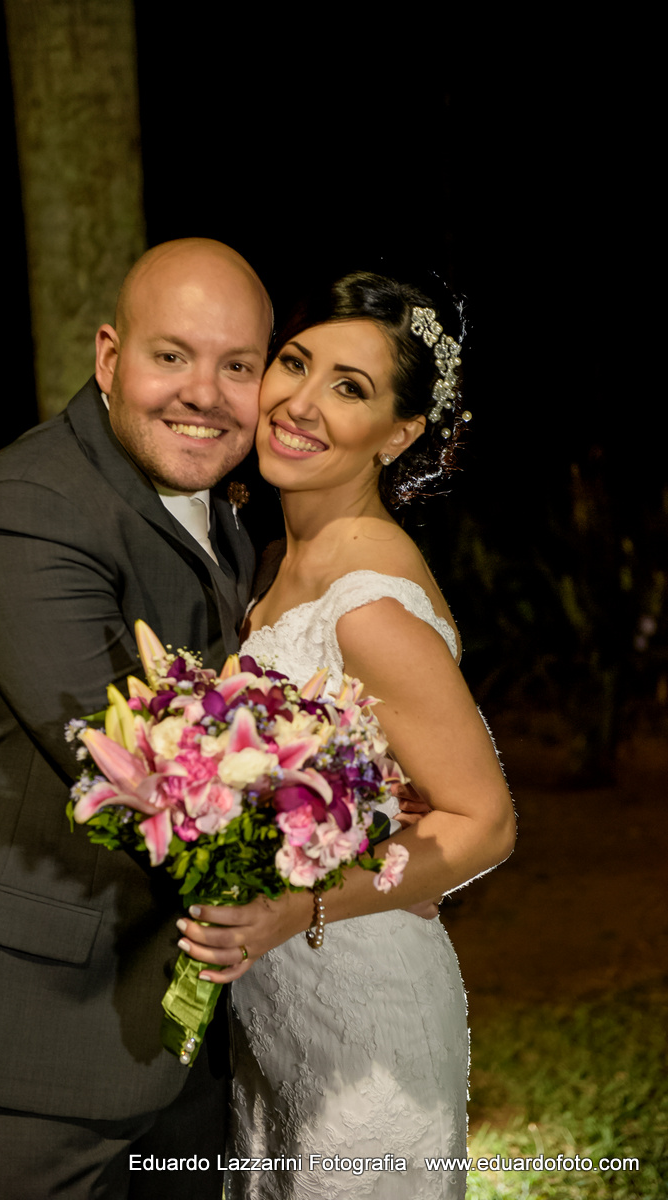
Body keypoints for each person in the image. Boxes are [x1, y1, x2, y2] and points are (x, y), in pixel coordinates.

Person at [0, 238, 274, 1199]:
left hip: (171, 1032)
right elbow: (139, 772)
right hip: (25, 1036)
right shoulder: (27, 511)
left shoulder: (219, 511)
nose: (203, 393)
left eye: (237, 366)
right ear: (106, 358)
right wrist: (345, 847)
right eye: (170, 355)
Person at [173, 271, 517, 1199]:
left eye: (350, 388)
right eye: (295, 363)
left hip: (362, 1009)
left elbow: (483, 822)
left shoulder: (367, 603)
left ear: (399, 436)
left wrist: (299, 909)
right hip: (277, 1004)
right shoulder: (281, 556)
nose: (300, 402)